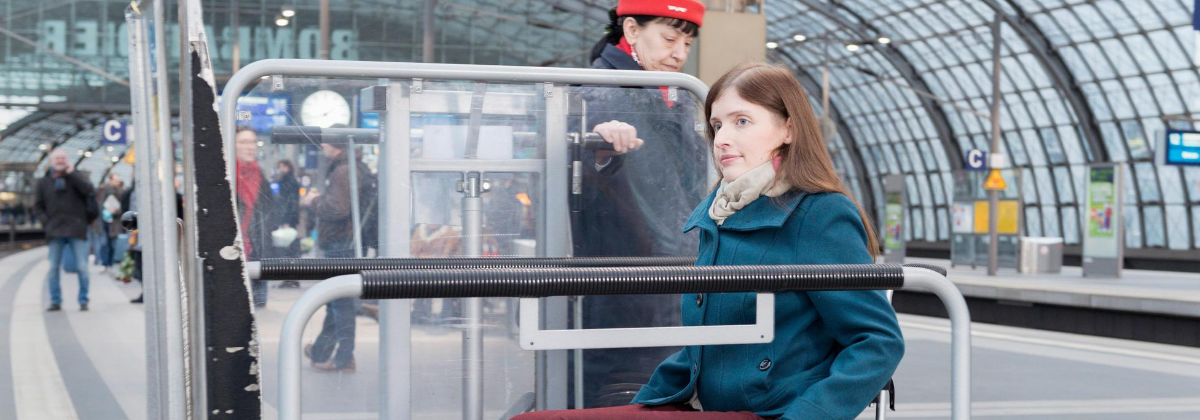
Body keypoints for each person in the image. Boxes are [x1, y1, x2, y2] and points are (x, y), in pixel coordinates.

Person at [516, 64, 904, 420]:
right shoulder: (723, 211)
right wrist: (649, 400)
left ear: (789, 129)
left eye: (743, 121)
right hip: (706, 404)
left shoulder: (819, 214)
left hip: (772, 410)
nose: (723, 139)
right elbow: (708, 340)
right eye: (717, 125)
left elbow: (876, 342)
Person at [572, 0, 710, 407]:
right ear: (631, 30)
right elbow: (581, 166)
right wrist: (602, 145)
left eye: (686, 41)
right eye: (669, 38)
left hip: (670, 276)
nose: (679, 53)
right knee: (627, 396)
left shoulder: (674, 91)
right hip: (627, 281)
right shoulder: (598, 91)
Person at [300, 141, 367, 372]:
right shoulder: (350, 166)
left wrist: (314, 201)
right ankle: (321, 350)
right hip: (345, 241)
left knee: (341, 304)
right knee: (335, 301)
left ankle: (345, 358)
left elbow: (338, 209)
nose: (321, 145)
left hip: (341, 242)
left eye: (325, 142)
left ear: (334, 145)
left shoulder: (343, 170)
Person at [35, 148, 97, 311]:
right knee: (53, 268)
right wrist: (46, 222)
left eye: (63, 158)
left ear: (67, 159)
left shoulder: (76, 177)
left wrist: (72, 174)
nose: (60, 161)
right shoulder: (43, 181)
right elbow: (38, 206)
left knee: (82, 267)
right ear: (51, 161)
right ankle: (56, 300)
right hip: (54, 230)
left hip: (76, 229)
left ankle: (83, 300)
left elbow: (89, 190)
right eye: (57, 158)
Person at [234, 127, 274, 307]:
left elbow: (269, 212)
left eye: (253, 142)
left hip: (255, 250)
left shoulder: (261, 177)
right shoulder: (224, 175)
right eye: (244, 142)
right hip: (230, 251)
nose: (250, 147)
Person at [269, 159, 302, 288]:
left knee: (288, 249)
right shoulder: (288, 180)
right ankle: (290, 277)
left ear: (288, 167)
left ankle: (291, 277)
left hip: (288, 220)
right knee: (289, 249)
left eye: (282, 166)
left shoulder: (289, 181)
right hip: (288, 219)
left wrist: (287, 220)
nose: (281, 169)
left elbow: (290, 202)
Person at [94, 174, 124, 273]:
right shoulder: (102, 190)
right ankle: (105, 264)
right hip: (103, 222)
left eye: (118, 181)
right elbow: (99, 205)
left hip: (114, 223)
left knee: (112, 245)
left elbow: (122, 207)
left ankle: (110, 264)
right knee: (103, 243)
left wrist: (116, 211)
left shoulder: (120, 192)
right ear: (110, 180)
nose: (117, 183)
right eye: (116, 180)